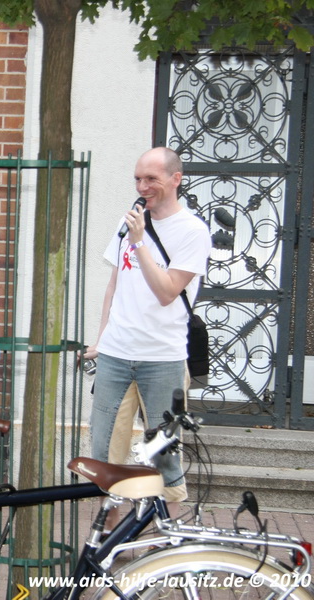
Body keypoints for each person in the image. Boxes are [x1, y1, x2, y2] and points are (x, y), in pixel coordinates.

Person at [83, 147, 210, 528]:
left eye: (151, 179)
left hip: (162, 359)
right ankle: (107, 538)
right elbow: (114, 285)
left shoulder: (192, 231)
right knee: (105, 450)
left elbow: (167, 291)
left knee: (164, 452)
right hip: (116, 355)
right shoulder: (129, 224)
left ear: (176, 179)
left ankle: (167, 536)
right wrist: (101, 339)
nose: (142, 187)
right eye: (138, 179)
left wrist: (139, 242)